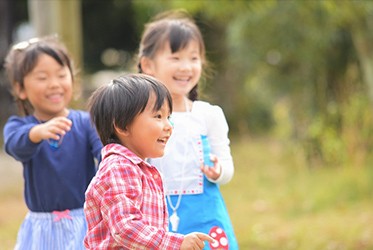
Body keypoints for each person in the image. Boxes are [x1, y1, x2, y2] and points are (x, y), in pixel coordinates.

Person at [137, 10, 239, 250]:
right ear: (148, 65)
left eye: (193, 58)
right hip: (154, 217)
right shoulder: (138, 118)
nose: (186, 67)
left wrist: (218, 171)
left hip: (205, 217)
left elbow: (227, 166)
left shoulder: (208, 115)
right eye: (175, 58)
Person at [84, 73, 214, 249]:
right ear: (122, 126)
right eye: (158, 117)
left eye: (169, 117)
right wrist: (176, 243)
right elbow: (125, 228)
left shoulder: (139, 169)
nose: (169, 126)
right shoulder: (119, 168)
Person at [3, 35, 103, 250]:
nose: (54, 84)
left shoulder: (86, 122)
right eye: (42, 77)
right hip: (42, 227)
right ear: (21, 89)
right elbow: (14, 145)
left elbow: (105, 153)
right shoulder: (19, 126)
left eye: (61, 75)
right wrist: (36, 132)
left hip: (84, 222)